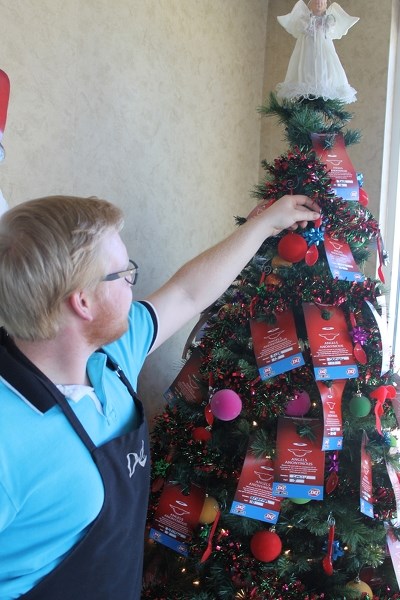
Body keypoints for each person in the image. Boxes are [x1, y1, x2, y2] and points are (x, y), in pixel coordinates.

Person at [0, 193, 320, 600]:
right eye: (122, 274)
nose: (133, 282)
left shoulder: (108, 355)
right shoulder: (8, 436)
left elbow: (187, 293)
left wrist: (264, 225)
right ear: (82, 302)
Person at [276, 0, 359, 103]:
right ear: (310, 4)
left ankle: (324, 85)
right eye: (316, 1)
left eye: (321, 1)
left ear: (325, 4)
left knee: (326, 64)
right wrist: (309, 23)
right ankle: (306, 85)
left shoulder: (329, 19)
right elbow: (303, 28)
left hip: (324, 49)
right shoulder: (306, 19)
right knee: (307, 63)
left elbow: (331, 30)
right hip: (308, 47)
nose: (319, 3)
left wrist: (327, 24)